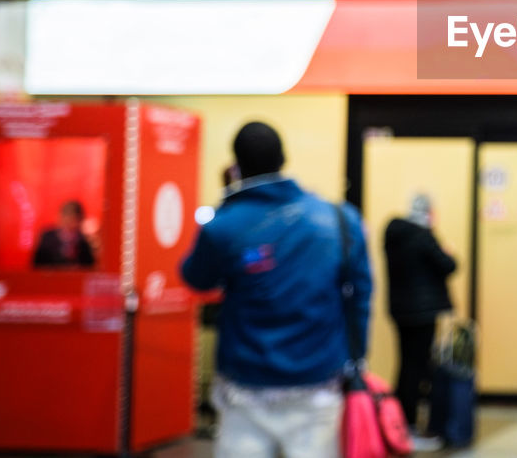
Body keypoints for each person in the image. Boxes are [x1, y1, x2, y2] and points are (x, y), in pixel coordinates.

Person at [180, 121, 371, 458]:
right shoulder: (339, 219)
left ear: (237, 166)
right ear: (284, 158)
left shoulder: (223, 226)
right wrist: (356, 361)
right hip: (318, 382)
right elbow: (361, 296)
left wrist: (225, 204)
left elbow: (195, 277)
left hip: (244, 387)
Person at [383, 193, 456, 448]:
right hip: (423, 313)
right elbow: (448, 265)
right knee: (418, 369)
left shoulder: (393, 235)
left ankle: (397, 424)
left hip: (400, 311)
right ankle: (410, 428)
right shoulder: (423, 236)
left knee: (406, 367)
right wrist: (447, 251)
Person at [33, 199, 95, 268]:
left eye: (73, 219)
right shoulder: (48, 237)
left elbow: (89, 266)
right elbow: (38, 265)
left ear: (79, 220)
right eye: (66, 217)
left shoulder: (83, 240)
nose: (69, 223)